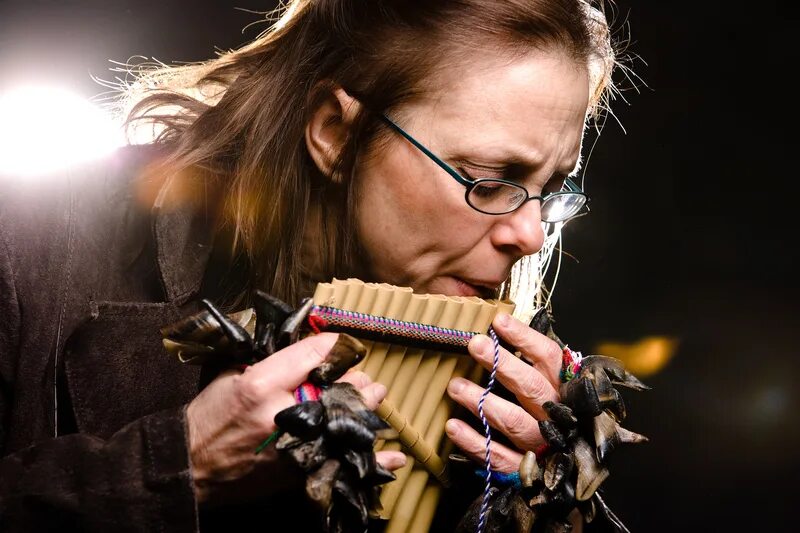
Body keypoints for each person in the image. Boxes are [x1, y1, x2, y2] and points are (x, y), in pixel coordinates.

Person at [0, 0, 622, 531]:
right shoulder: (26, 239)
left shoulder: (493, 382)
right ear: (335, 133)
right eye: (491, 179)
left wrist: (535, 507)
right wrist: (173, 465)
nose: (532, 235)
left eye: (552, 186)